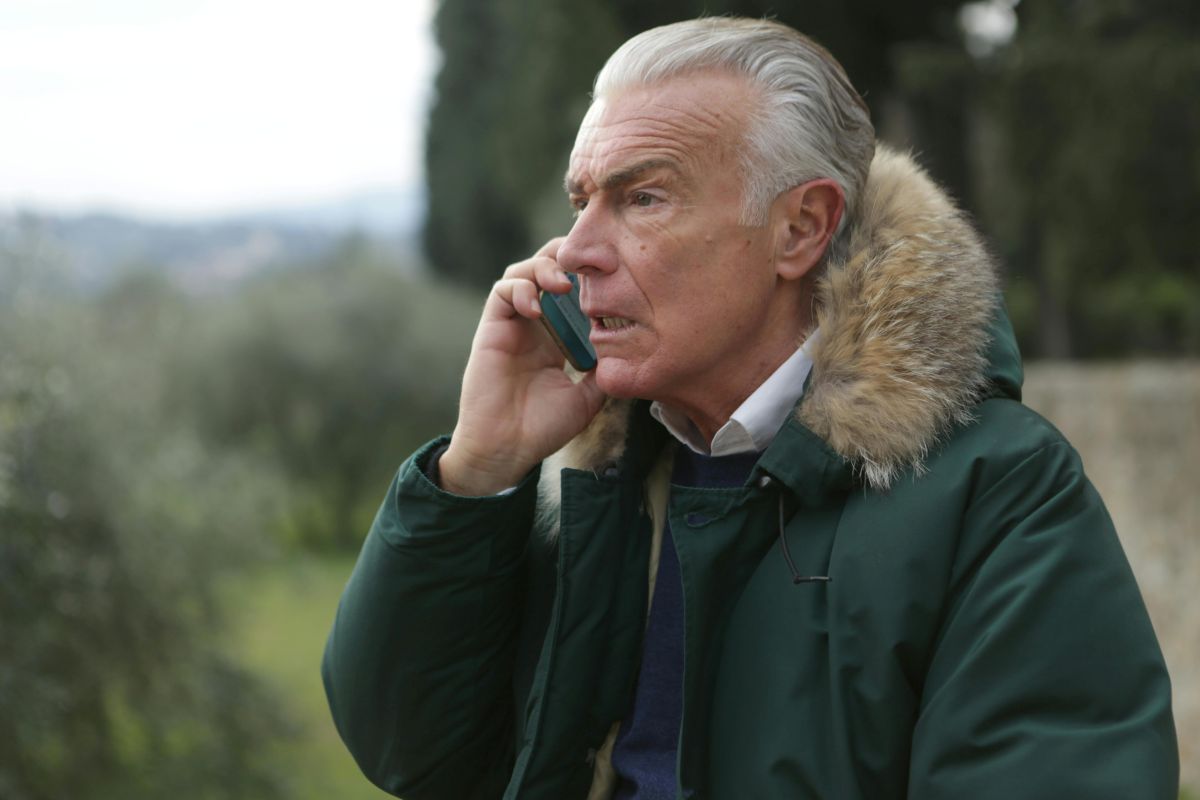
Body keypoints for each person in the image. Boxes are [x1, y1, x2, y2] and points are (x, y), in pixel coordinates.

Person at [322, 17, 1178, 800]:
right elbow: (410, 754)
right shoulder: (587, 485)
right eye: (582, 201)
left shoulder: (1000, 493)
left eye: (642, 198)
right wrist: (478, 469)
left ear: (800, 228)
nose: (575, 252)